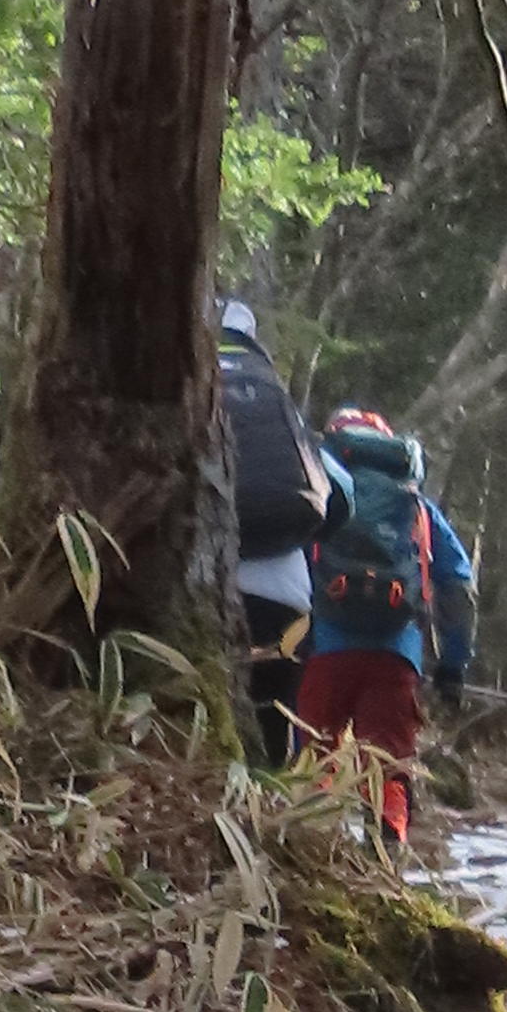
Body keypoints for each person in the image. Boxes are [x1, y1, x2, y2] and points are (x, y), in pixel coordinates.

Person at [295, 411, 478, 843]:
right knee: (388, 764)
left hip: (324, 649)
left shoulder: (321, 495)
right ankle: (386, 855)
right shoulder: (417, 508)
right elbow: (459, 589)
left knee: (316, 758)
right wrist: (453, 666)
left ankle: (312, 849)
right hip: (396, 654)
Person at [219, 304, 327, 767]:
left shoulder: (176, 387)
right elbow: (337, 497)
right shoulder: (273, 394)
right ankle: (265, 797)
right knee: (270, 733)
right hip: (284, 595)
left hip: (204, 584)